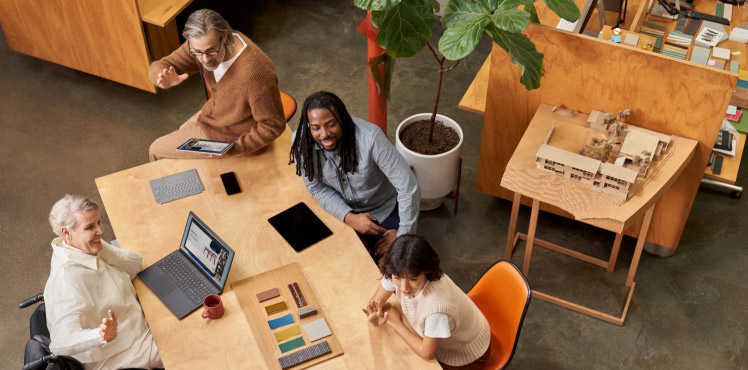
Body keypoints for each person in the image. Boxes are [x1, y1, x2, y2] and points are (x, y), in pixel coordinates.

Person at [289, 91, 419, 261]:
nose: (324, 134)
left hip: (382, 209)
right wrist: (349, 217)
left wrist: (402, 236)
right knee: (323, 260)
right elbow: (316, 187)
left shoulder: (371, 139)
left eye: (330, 124)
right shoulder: (301, 142)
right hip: (338, 211)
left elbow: (408, 187)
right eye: (316, 128)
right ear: (308, 126)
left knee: (396, 265)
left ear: (342, 118)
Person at [147, 9, 285, 161]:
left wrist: (233, 148)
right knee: (183, 131)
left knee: (156, 150)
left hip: (231, 137)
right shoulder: (200, 44)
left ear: (224, 36)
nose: (204, 59)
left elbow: (273, 125)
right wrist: (161, 78)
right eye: (197, 52)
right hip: (215, 116)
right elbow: (161, 65)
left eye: (211, 50)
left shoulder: (255, 73)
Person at [44, 195, 163, 370]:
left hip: (135, 318)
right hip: (122, 350)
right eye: (90, 227)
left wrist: (101, 248)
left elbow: (135, 264)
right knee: (187, 345)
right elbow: (60, 341)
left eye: (99, 222)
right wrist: (99, 335)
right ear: (66, 233)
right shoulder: (66, 281)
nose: (100, 230)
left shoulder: (80, 246)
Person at [362, 235, 490, 369]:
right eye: (397, 278)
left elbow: (427, 352)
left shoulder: (437, 310)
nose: (404, 287)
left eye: (413, 279)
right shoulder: (399, 270)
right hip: (445, 337)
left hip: (466, 355)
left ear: (427, 271)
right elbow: (376, 303)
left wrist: (396, 324)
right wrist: (375, 318)